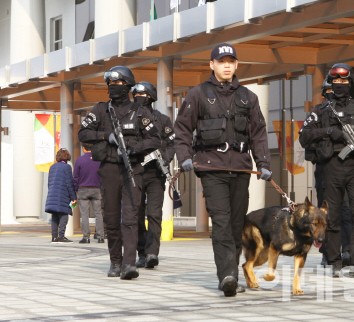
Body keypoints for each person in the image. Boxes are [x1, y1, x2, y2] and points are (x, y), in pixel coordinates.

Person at [174, 43, 272, 296]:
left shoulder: (248, 97)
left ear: (236, 65)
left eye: (231, 61)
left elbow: (259, 134)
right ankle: (227, 275)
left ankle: (233, 275)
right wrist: (184, 157)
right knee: (221, 222)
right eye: (221, 61)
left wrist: (263, 164)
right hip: (211, 167)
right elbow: (182, 129)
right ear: (212, 65)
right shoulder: (197, 94)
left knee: (237, 223)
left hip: (240, 169)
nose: (226, 65)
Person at [78, 66, 161, 280]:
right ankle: (115, 261)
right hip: (109, 170)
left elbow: (154, 138)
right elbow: (83, 133)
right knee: (112, 219)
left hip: (133, 168)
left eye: (117, 83)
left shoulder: (140, 111)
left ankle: (129, 264)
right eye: (110, 84)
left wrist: (136, 149)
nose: (113, 87)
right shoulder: (100, 110)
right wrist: (107, 136)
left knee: (131, 218)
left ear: (127, 86)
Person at [299, 63, 354, 278]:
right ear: (330, 83)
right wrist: (328, 132)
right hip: (330, 167)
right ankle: (334, 261)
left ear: (350, 83)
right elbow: (304, 136)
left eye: (344, 81)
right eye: (336, 81)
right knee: (331, 217)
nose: (340, 84)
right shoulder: (320, 110)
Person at [308, 78, 352, 268]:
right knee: (327, 215)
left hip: (347, 169)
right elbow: (306, 138)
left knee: (347, 212)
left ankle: (348, 251)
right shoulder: (319, 112)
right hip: (325, 170)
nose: (331, 95)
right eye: (327, 92)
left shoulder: (351, 110)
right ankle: (327, 252)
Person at [132, 81, 175, 270]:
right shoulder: (130, 117)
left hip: (156, 174)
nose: (137, 98)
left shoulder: (163, 120)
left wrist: (164, 159)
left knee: (155, 214)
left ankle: (152, 253)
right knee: (137, 215)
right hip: (135, 172)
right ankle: (141, 253)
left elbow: (172, 143)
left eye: (141, 94)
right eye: (136, 95)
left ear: (150, 96)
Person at [74, 145, 104, 243]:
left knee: (84, 214)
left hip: (83, 189)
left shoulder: (79, 160)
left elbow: (76, 177)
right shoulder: (99, 160)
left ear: (83, 148)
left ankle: (86, 237)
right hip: (97, 188)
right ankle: (100, 237)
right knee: (98, 213)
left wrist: (76, 189)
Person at [46, 148, 77, 244]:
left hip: (52, 194)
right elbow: (69, 183)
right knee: (64, 216)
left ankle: (54, 237)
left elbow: (49, 183)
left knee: (55, 216)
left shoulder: (52, 167)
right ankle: (61, 236)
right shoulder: (67, 167)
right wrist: (73, 198)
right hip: (62, 195)